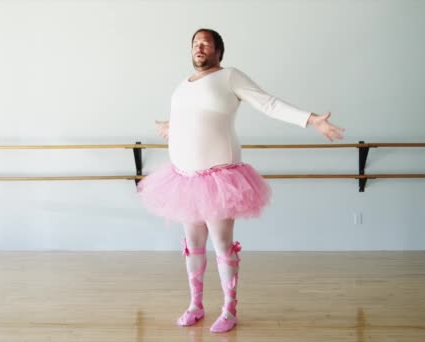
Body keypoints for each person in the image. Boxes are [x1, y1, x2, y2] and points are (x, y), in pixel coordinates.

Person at [137, 28, 344, 333]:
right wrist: (172, 126)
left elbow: (269, 103)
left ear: (219, 51)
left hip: (218, 178)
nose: (199, 46)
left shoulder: (229, 77)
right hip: (183, 179)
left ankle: (229, 309)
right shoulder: (183, 84)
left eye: (206, 42)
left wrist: (311, 119)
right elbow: (190, 115)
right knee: (192, 244)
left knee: (221, 244)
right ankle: (196, 304)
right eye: (195, 43)